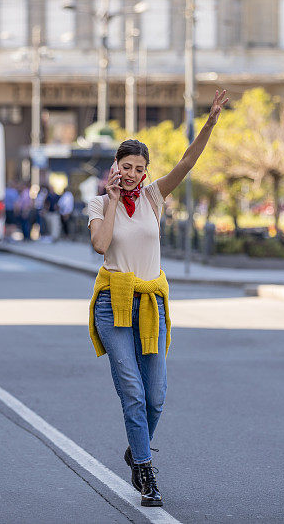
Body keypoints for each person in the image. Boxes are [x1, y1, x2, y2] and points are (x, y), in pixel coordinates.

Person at [86, 89, 228, 507]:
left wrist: (211, 122)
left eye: (138, 168)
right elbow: (101, 245)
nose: (131, 173)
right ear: (115, 167)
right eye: (125, 167)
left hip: (151, 304)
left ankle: (136, 449)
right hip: (114, 305)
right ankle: (146, 474)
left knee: (157, 396)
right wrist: (112, 202)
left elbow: (187, 162)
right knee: (131, 391)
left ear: (146, 171)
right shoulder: (99, 202)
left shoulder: (153, 198)